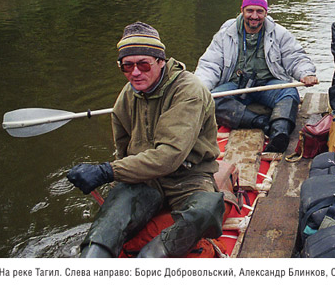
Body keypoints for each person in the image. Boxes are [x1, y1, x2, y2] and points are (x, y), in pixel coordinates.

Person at [67, 22, 224, 258]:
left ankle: (155, 253)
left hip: (188, 175)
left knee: (206, 211)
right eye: (127, 66)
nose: (135, 72)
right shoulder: (127, 95)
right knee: (111, 218)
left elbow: (169, 157)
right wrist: (117, 186)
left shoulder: (189, 90)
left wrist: (105, 171)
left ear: (161, 61)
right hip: (146, 178)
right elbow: (123, 150)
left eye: (143, 64)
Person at [195, 0, 318, 153]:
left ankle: (280, 133)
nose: (254, 16)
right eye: (250, 11)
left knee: (290, 93)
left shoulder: (279, 33)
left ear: (266, 13)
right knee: (211, 101)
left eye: (259, 11)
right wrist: (198, 88)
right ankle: (263, 123)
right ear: (242, 11)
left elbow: (295, 57)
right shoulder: (225, 34)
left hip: (267, 84)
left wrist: (306, 73)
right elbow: (210, 65)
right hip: (235, 86)